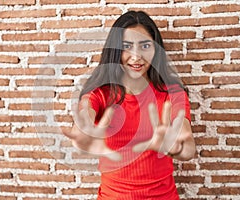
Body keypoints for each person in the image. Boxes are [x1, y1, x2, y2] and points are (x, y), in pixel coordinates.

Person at [65, 11, 196, 200]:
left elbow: (189, 148)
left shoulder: (172, 93)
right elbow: (84, 120)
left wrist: (174, 147)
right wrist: (83, 135)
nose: (136, 57)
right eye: (127, 47)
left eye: (144, 46)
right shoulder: (100, 94)